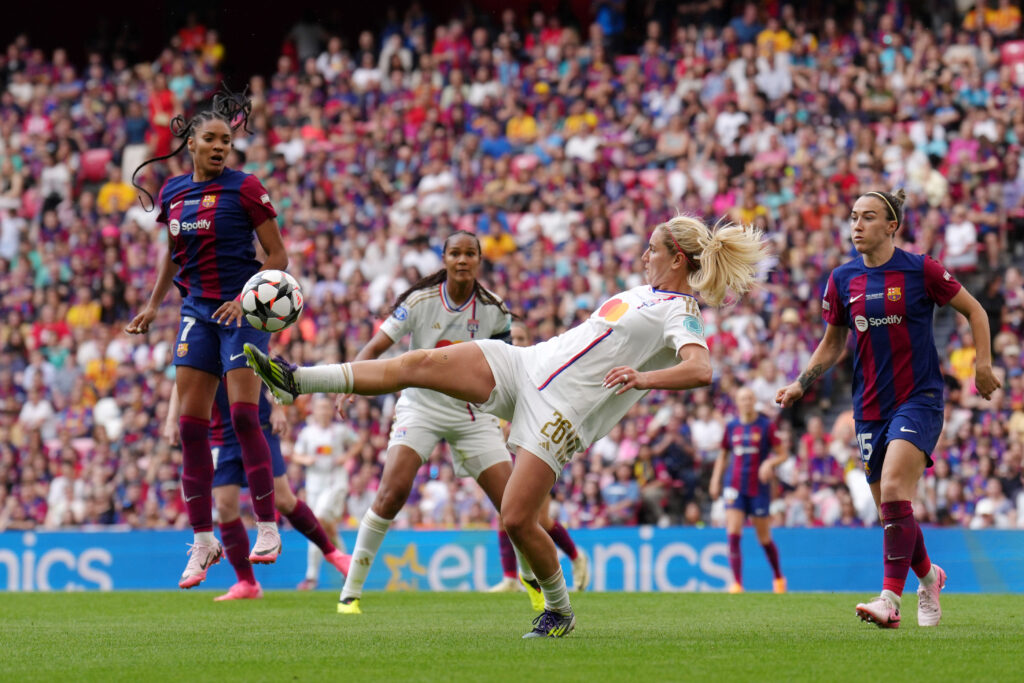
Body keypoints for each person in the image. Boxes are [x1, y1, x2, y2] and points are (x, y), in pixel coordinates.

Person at [246, 216, 768, 638]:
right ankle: (298, 381)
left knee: (518, 520)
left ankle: (559, 611)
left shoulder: (681, 309)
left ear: (676, 257)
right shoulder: (642, 292)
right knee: (420, 364)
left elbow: (701, 369)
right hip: (526, 365)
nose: (643, 256)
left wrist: (643, 377)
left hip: (559, 415)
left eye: (652, 249)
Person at [776, 189, 1000, 629]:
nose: (856, 225)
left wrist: (984, 365)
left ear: (891, 226)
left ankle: (889, 600)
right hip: (869, 407)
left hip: (919, 399)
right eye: (854, 217)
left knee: (896, 488)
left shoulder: (921, 270)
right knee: (892, 510)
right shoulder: (843, 279)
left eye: (868, 217)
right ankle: (929, 577)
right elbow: (833, 342)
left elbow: (974, 311)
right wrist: (801, 383)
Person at [125, 89, 288, 588]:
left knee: (243, 415)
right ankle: (202, 540)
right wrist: (154, 304)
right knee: (191, 429)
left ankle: (266, 526)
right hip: (195, 310)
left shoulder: (246, 188)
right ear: (191, 143)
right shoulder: (174, 192)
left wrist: (248, 298)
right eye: (211, 140)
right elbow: (173, 255)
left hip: (239, 310)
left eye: (227, 140)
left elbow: (278, 256)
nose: (221, 147)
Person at [328, 230, 517, 616]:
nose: (462, 260)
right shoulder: (419, 300)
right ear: (444, 259)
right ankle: (351, 593)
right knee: (391, 494)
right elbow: (378, 346)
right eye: (455, 254)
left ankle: (536, 591)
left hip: (472, 413)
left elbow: (510, 367)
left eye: (469, 254)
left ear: (479, 260)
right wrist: (350, 383)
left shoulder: (495, 309)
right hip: (421, 406)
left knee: (515, 505)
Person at [165, 385, 351, 598]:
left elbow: (267, 366)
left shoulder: (238, 349)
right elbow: (182, 379)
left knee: (283, 500)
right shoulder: (199, 351)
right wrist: (171, 420)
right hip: (221, 435)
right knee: (225, 506)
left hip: (257, 426)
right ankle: (247, 583)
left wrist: (278, 407)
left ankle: (335, 555)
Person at [490, 320, 589, 601]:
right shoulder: (503, 373)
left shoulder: (539, 371)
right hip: (509, 454)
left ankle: (575, 556)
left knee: (540, 520)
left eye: (522, 338)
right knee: (504, 515)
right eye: (513, 339)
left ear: (531, 342)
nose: (517, 343)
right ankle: (510, 579)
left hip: (538, 452)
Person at [709, 386, 787, 594]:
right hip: (734, 485)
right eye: (742, 399)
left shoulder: (765, 426)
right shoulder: (732, 426)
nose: (746, 402)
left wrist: (769, 464)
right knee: (733, 533)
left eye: (749, 398)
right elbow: (723, 455)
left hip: (758, 487)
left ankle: (779, 579)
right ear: (737, 402)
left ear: (754, 401)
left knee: (764, 537)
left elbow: (782, 453)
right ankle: (736, 583)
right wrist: (715, 479)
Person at [292, 395, 360, 590]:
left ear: (331, 411)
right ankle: (344, 571)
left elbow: (358, 443)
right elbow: (296, 454)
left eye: (326, 408)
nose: (323, 411)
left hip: (335, 484)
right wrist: (305, 460)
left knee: (319, 520)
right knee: (322, 530)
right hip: (314, 485)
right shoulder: (307, 433)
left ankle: (314, 576)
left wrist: (346, 457)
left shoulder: (340, 431)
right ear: (314, 410)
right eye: (320, 408)